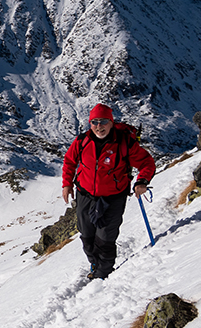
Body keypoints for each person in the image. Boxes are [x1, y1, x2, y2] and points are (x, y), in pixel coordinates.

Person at [61, 103, 155, 279]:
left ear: (111, 123)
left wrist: (142, 181)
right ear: (90, 124)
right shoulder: (82, 141)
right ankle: (94, 264)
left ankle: (103, 275)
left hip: (113, 197)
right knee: (86, 235)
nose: (99, 126)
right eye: (94, 122)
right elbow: (70, 161)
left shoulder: (124, 143)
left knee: (105, 238)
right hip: (85, 194)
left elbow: (146, 163)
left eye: (103, 121)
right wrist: (67, 184)